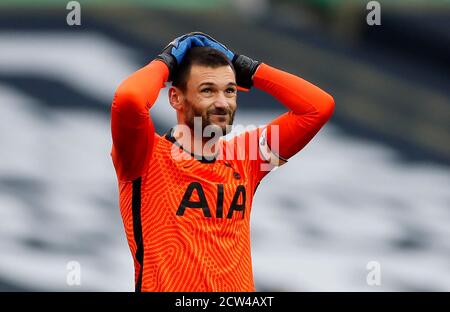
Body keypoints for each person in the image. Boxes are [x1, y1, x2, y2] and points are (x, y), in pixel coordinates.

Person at [110, 32, 335, 292]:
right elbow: (129, 98)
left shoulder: (245, 157)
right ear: (175, 98)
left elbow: (318, 108)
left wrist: (247, 68)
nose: (222, 103)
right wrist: (167, 61)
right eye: (208, 90)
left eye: (229, 90)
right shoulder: (146, 156)